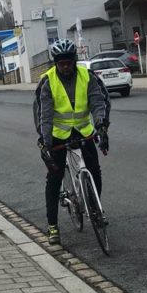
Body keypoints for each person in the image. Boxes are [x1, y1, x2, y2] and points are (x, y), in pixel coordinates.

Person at [35, 39, 110, 246]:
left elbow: (97, 102)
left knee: (94, 171)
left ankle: (95, 208)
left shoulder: (87, 76)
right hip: (58, 136)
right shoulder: (48, 82)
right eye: (62, 64)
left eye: (69, 63)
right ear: (56, 64)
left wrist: (101, 126)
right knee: (54, 178)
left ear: (75, 60)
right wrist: (46, 144)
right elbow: (45, 116)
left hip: (84, 131)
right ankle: (53, 225)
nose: (66, 67)